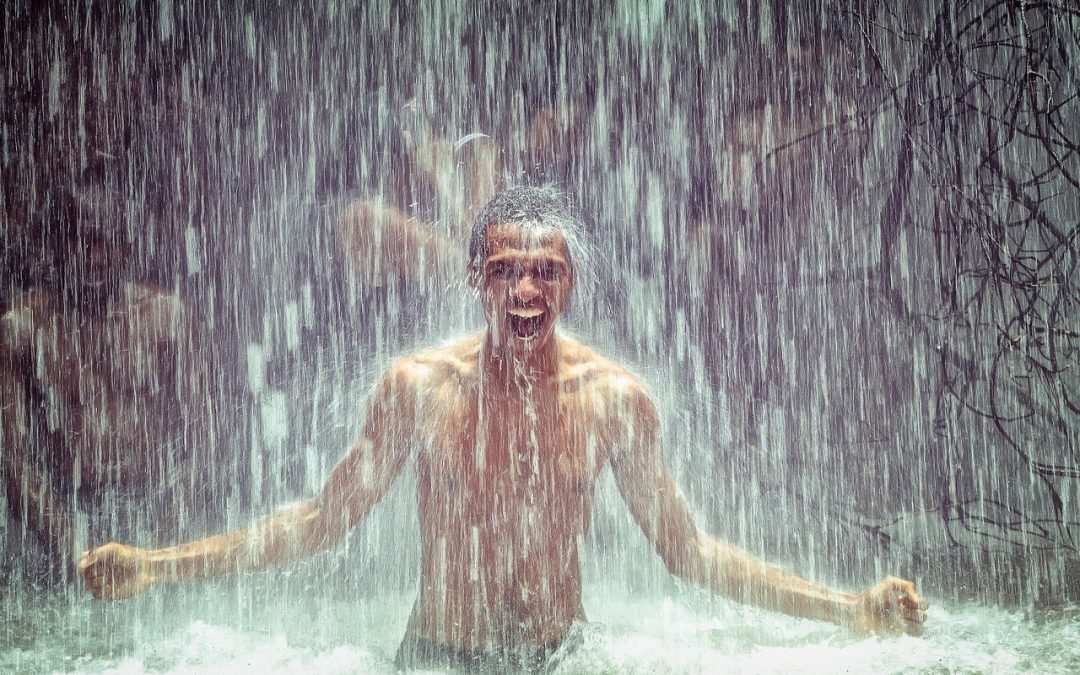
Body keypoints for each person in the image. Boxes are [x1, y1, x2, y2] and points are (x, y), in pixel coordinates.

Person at [79, 186, 928, 672]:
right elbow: (316, 520)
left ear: (571, 284)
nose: (527, 289)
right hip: (437, 659)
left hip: (563, 660)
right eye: (506, 270)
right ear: (475, 281)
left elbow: (692, 551)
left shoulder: (614, 399)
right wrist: (158, 564)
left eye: (546, 271)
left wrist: (847, 607)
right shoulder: (418, 387)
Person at [1, 177, 222, 579]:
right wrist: (75, 552)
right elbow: (13, 461)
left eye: (109, 241)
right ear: (55, 246)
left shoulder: (166, 318)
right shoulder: (22, 330)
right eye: (82, 241)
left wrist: (155, 553)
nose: (96, 257)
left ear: (127, 246)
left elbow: (205, 442)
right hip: (63, 513)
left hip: (154, 506)